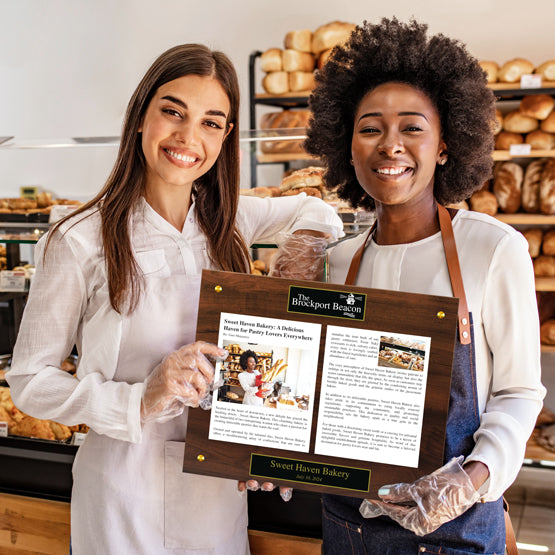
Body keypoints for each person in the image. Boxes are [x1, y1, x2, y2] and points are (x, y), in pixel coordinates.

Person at [6, 44, 343, 554]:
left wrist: (296, 262)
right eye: (173, 112)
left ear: (227, 136)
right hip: (122, 492)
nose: (189, 138)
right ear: (141, 116)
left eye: (212, 122)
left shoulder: (230, 222)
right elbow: (30, 382)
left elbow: (317, 211)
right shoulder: (79, 237)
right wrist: (141, 398)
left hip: (217, 494)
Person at [303, 18, 546, 554]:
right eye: (370, 128)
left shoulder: (492, 249)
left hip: (453, 530)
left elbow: (520, 391)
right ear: (346, 147)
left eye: (412, 127)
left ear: (444, 145)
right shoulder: (339, 261)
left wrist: (471, 479)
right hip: (350, 528)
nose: (390, 145)